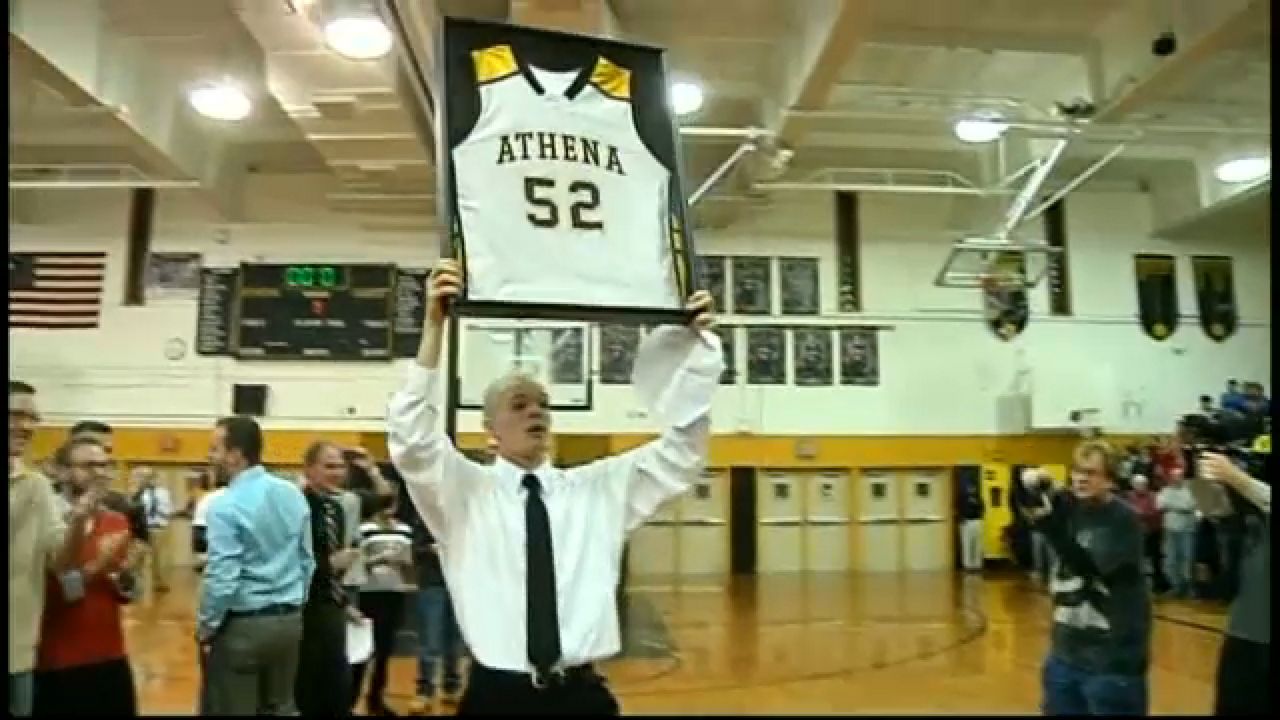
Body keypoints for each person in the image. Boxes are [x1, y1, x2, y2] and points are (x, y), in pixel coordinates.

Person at [388, 259, 719, 715]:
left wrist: (694, 355)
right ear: (491, 431)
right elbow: (411, 441)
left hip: (581, 696)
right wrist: (433, 328)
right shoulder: (464, 496)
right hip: (497, 698)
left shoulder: (597, 490)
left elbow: (684, 451)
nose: (535, 412)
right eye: (519, 405)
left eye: (543, 405)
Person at [198, 415, 314, 715]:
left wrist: (207, 625)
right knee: (283, 708)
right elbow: (306, 560)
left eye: (214, 449)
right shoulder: (292, 493)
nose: (210, 457)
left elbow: (223, 577)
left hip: (244, 627)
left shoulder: (224, 505)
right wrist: (294, 603)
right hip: (289, 623)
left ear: (235, 455)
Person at [1025, 440, 1151, 716]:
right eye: (1077, 471)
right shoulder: (1071, 507)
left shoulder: (1123, 519)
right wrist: (1038, 482)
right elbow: (1031, 495)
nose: (1080, 478)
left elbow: (1091, 567)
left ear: (1110, 480)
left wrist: (1052, 530)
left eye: (1091, 473)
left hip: (1111, 660)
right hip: (1064, 654)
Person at [33, 436, 137, 715]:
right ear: (64, 471)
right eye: (89, 466)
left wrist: (125, 576)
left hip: (111, 653)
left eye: (105, 465)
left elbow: (126, 594)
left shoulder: (116, 520)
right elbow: (66, 591)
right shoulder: (48, 519)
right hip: (62, 659)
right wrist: (99, 564)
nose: (100, 473)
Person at [9, 381, 90, 717]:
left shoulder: (37, 486)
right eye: (15, 415)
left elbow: (61, 562)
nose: (26, 427)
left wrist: (77, 526)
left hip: (17, 652)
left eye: (32, 418)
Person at [1200, 452, 1270, 716]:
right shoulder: (1252, 517)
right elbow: (1212, 510)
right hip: (1242, 633)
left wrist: (1238, 478)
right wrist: (1207, 478)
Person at [296, 441, 362, 717]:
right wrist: (327, 565)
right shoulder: (297, 508)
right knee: (309, 688)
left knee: (338, 687)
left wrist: (345, 603)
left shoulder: (336, 509)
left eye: (340, 466)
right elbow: (291, 561)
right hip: (304, 611)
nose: (337, 472)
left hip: (332, 607)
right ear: (309, 469)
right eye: (328, 466)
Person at [350, 494, 416, 716]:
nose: (390, 509)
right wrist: (375, 561)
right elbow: (356, 560)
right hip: (368, 592)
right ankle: (351, 699)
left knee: (385, 649)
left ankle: (376, 698)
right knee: (362, 650)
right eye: (385, 505)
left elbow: (409, 561)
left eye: (393, 504)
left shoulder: (405, 530)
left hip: (394, 592)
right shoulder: (364, 529)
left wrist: (405, 568)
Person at [408, 515, 467, 713]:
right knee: (430, 640)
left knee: (455, 640)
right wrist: (435, 549)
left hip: (458, 584)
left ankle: (451, 685)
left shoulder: (463, 520)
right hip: (432, 582)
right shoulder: (425, 517)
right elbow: (415, 549)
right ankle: (424, 690)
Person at [1156, 468, 1197, 598]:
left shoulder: (1188, 491)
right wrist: (1178, 506)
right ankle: (1176, 586)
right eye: (1174, 476)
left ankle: (1188, 587)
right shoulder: (1165, 491)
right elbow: (1159, 505)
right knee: (1170, 560)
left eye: (1179, 476)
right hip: (1170, 530)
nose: (1176, 479)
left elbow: (1188, 506)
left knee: (1186, 559)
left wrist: (1171, 505)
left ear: (1182, 478)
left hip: (1186, 531)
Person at [133, 466, 174, 593]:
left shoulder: (163, 492)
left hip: (158, 527)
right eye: (142, 476)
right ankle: (135, 583)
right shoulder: (138, 493)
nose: (146, 479)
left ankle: (158, 582)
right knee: (138, 556)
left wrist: (161, 513)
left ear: (153, 477)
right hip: (141, 528)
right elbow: (133, 508)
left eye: (148, 476)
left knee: (158, 558)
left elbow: (169, 510)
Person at [956, 480, 985, 572]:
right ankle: (967, 565)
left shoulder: (978, 498)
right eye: (969, 488)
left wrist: (975, 503)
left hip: (977, 521)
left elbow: (982, 509)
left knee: (977, 544)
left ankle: (977, 564)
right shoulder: (962, 499)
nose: (971, 489)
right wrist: (961, 518)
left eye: (973, 488)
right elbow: (958, 510)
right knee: (966, 544)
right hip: (966, 522)